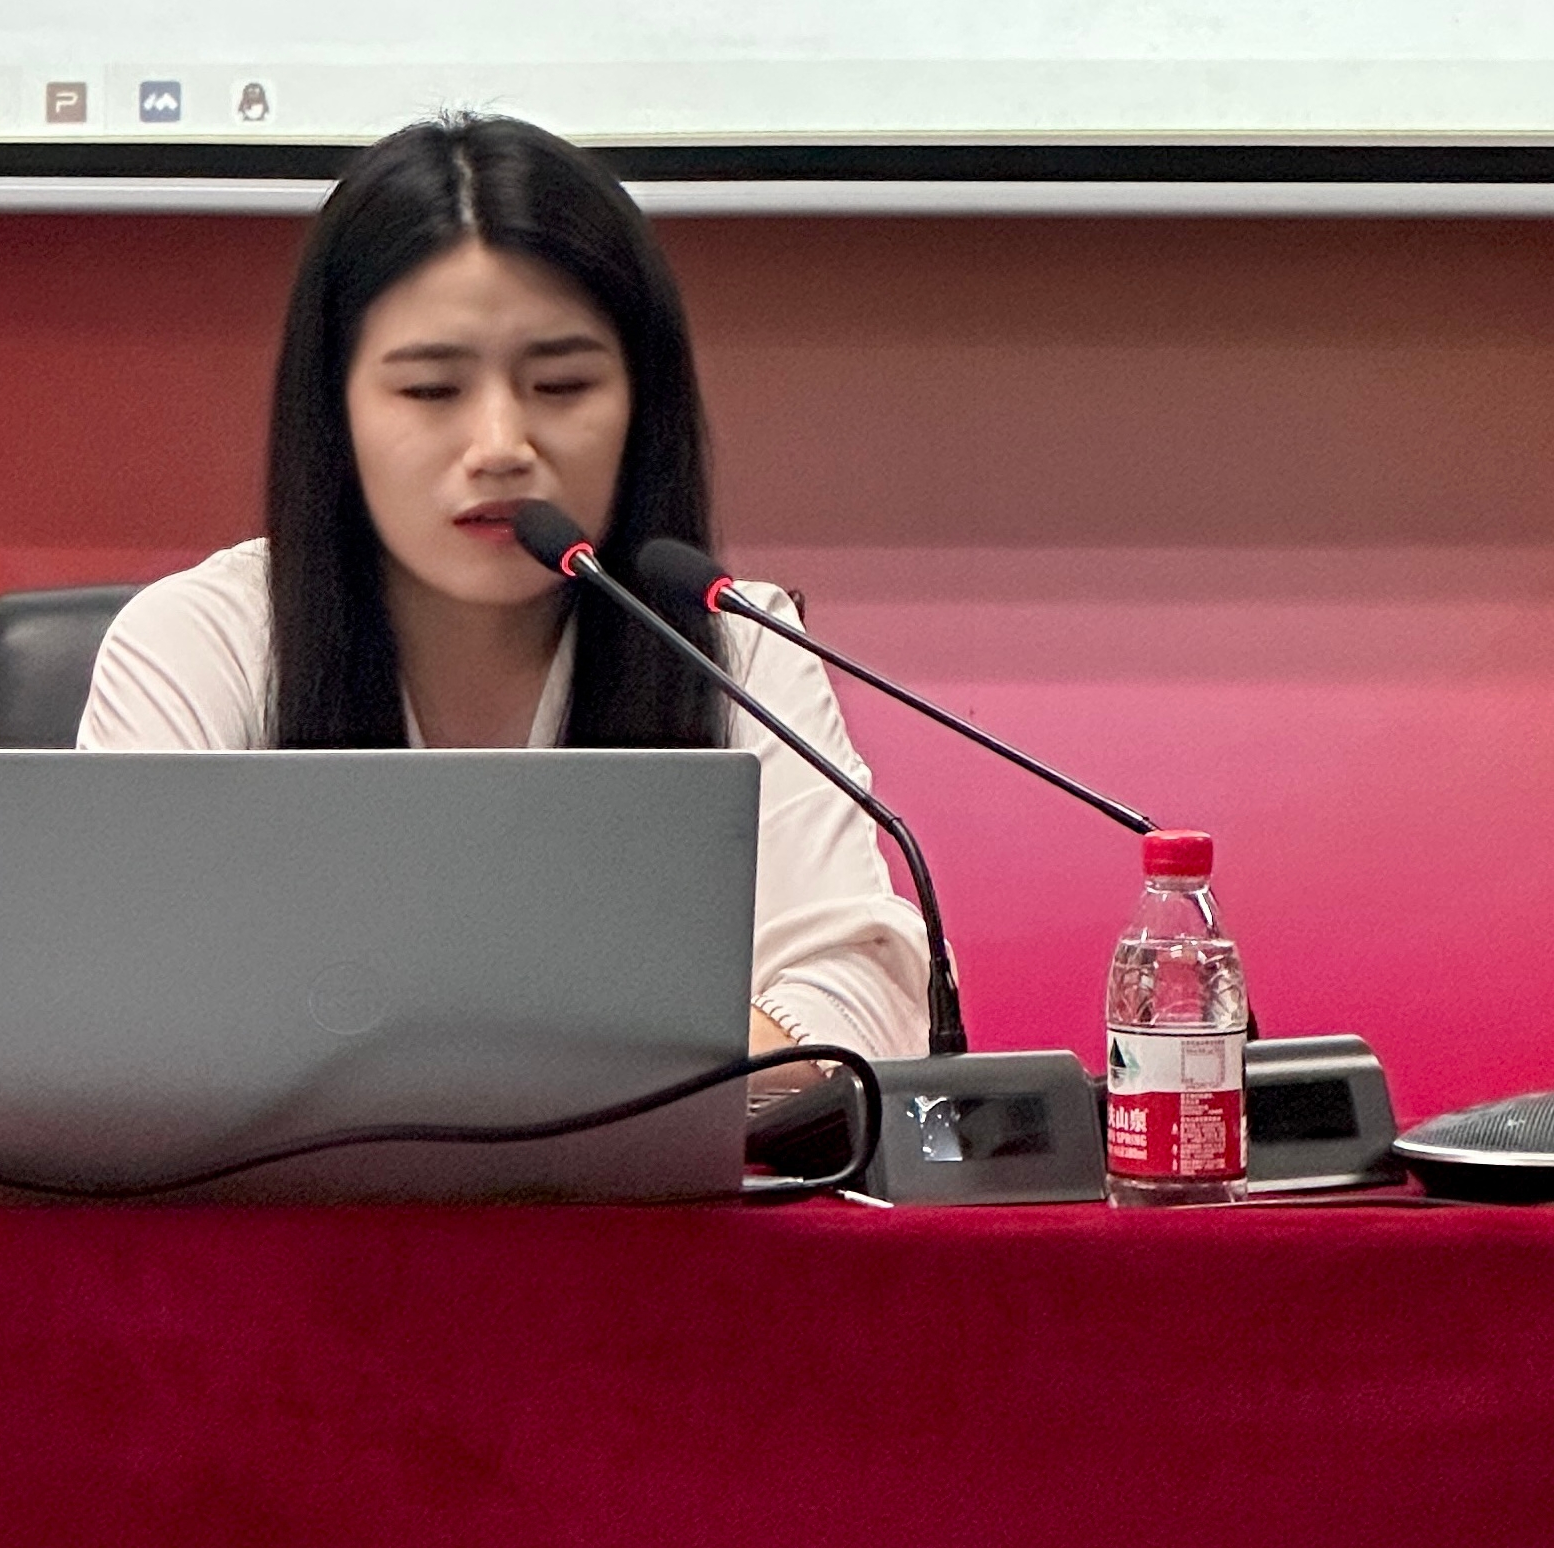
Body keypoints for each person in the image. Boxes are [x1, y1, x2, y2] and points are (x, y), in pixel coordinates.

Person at [78, 114, 932, 1063]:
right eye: (431, 390)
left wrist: (495, 1088)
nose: (500, 447)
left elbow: (863, 998)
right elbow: (106, 1011)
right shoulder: (205, 642)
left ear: (641, 408)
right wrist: (601, 1072)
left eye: (560, 385)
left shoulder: (727, 642)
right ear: (335, 413)